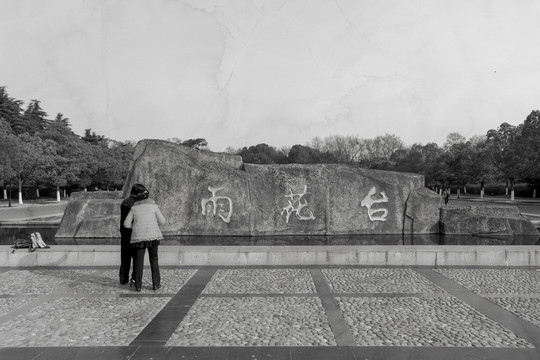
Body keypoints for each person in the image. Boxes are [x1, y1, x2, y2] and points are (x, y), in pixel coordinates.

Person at [123, 185, 165, 292]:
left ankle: (138, 286)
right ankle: (156, 284)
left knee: (138, 261)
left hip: (139, 238)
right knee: (154, 260)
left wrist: (136, 226)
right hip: (153, 236)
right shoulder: (154, 206)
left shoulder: (134, 208)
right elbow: (162, 221)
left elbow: (126, 224)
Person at [119, 184, 146, 285]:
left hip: (125, 233)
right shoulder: (136, 204)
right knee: (136, 258)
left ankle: (123, 278)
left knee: (125, 257)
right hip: (135, 234)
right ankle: (134, 278)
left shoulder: (125, 202)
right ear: (138, 193)